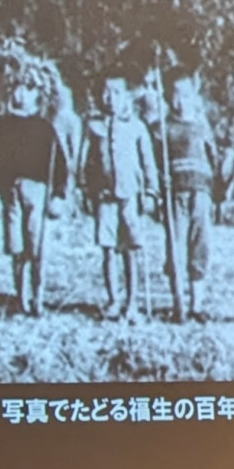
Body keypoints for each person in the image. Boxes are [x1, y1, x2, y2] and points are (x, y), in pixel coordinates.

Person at [0, 69, 68, 317]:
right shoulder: (0, 125)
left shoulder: (44, 128)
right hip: (10, 192)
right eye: (17, 87)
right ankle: (21, 298)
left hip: (37, 192)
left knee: (37, 246)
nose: (22, 94)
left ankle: (37, 297)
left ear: (37, 95)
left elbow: (59, 165)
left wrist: (58, 195)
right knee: (16, 247)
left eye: (28, 89)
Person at [80, 73, 158, 321]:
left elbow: (148, 164)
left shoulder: (136, 127)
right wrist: (84, 188)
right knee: (108, 248)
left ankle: (132, 302)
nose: (109, 98)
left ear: (127, 97)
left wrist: (150, 192)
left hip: (129, 194)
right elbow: (86, 161)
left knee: (130, 248)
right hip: (104, 195)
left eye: (115, 92)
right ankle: (113, 299)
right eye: (105, 92)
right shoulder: (94, 126)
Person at [161, 72, 219, 319]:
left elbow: (213, 159)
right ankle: (178, 304)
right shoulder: (165, 129)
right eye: (175, 95)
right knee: (175, 248)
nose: (180, 101)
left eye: (185, 95)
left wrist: (216, 191)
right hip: (176, 194)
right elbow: (157, 161)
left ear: (194, 97)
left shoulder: (202, 127)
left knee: (200, 245)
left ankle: (197, 304)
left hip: (201, 192)